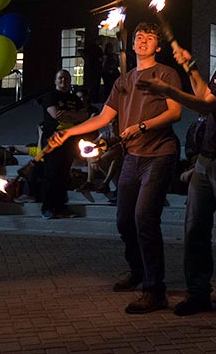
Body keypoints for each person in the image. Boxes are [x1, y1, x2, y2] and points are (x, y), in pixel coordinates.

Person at [46, 23, 182, 314]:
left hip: (160, 154)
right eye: (138, 38)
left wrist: (142, 126)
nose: (142, 41)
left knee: (145, 219)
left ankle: (155, 290)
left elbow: (175, 111)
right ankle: (137, 271)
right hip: (132, 157)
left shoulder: (166, 74)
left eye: (149, 38)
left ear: (158, 46)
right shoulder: (124, 80)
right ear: (132, 45)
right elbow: (102, 118)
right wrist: (70, 133)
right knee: (123, 220)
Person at [138, 12, 216, 320]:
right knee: (194, 229)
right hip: (207, 160)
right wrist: (191, 69)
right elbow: (205, 94)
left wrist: (168, 91)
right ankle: (198, 294)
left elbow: (207, 106)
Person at [39, 69, 89, 220]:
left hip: (69, 141)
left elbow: (85, 115)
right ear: (55, 81)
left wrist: (67, 115)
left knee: (63, 174)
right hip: (53, 140)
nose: (63, 81)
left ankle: (61, 207)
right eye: (60, 78)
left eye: (66, 78)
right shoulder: (50, 96)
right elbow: (55, 115)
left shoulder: (75, 98)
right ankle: (47, 208)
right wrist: (74, 117)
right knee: (51, 174)